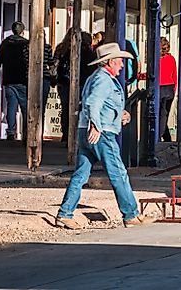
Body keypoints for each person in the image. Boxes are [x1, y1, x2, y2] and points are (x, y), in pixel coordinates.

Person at [55, 44, 143, 229]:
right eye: (120, 61)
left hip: (87, 130)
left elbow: (99, 104)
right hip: (102, 134)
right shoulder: (104, 79)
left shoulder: (96, 78)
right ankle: (130, 214)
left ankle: (65, 213)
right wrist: (96, 125)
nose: (121, 65)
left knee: (81, 173)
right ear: (111, 61)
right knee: (118, 173)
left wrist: (121, 115)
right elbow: (93, 102)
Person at [0, 23, 31, 141]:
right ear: (22, 31)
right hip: (23, 80)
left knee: (11, 106)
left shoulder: (5, 44)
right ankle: (27, 131)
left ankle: (11, 132)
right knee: (25, 107)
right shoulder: (26, 44)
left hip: (9, 79)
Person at [159, 40, 178, 142]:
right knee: (164, 114)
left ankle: (158, 136)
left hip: (160, 87)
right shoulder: (171, 59)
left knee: (159, 115)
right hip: (170, 88)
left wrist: (139, 76)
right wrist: (174, 90)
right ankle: (167, 138)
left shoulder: (157, 60)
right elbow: (174, 76)